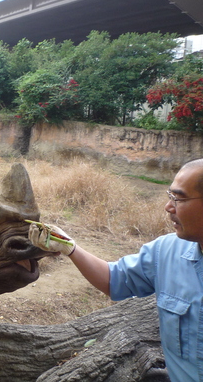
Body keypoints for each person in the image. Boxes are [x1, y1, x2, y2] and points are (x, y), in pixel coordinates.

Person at [29, 158, 203, 382]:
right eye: (170, 196)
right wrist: (69, 247)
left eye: (179, 198)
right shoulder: (166, 251)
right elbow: (114, 280)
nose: (168, 207)